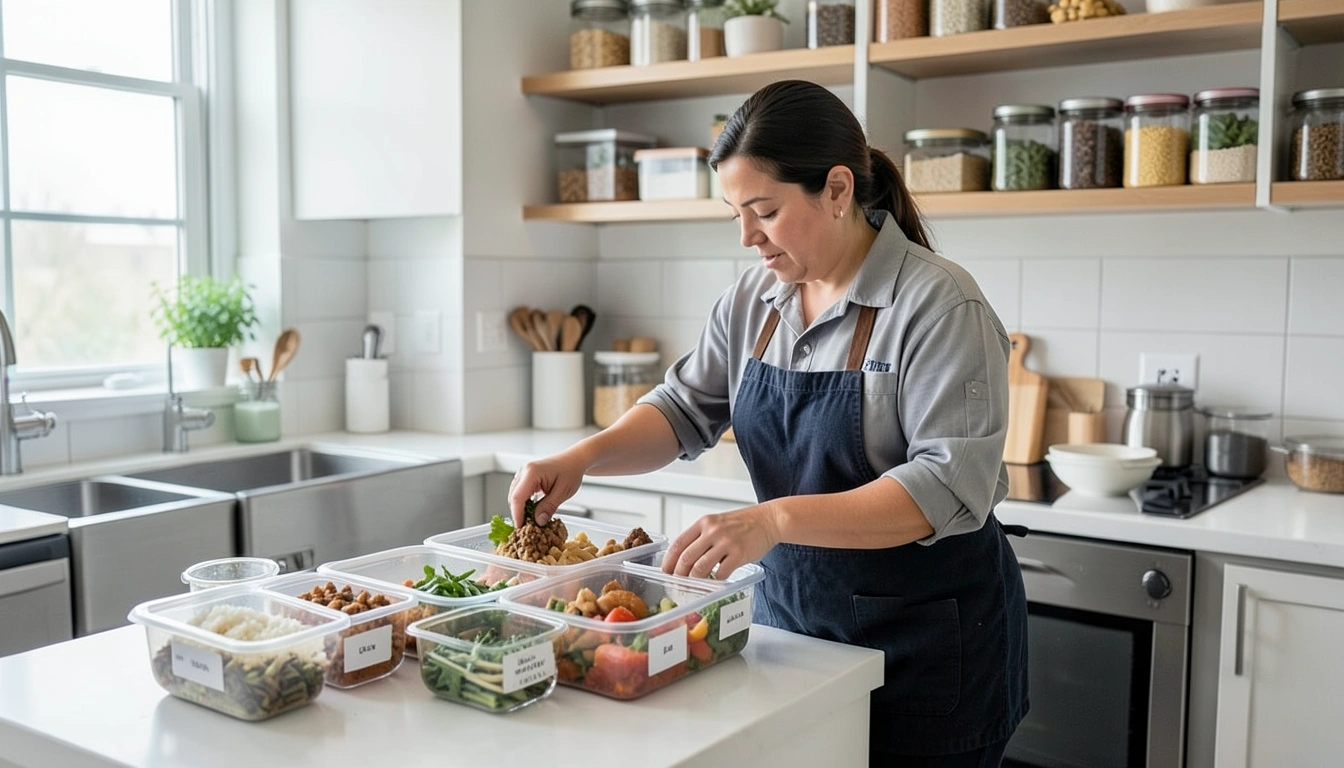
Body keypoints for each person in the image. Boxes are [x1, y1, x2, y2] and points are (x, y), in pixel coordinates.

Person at [509, 79, 1028, 766]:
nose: (749, 236)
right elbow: (683, 408)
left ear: (837, 190)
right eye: (737, 214)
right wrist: (582, 458)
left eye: (766, 210)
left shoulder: (938, 304)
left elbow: (945, 485)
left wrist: (773, 521)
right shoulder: (754, 299)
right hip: (797, 633)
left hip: (929, 649)